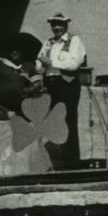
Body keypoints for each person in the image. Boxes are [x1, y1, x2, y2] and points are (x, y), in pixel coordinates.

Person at [35, 11, 86, 169]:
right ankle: (59, 162)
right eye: (53, 25)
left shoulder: (74, 40)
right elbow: (38, 67)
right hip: (51, 84)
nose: (56, 28)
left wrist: (51, 63)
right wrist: (44, 65)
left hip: (67, 85)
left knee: (68, 121)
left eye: (59, 24)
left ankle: (71, 162)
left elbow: (74, 64)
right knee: (54, 122)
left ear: (65, 25)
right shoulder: (48, 43)